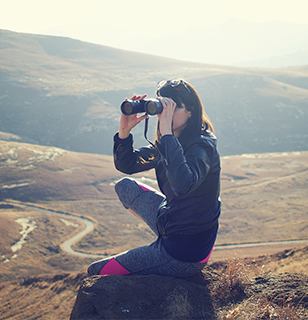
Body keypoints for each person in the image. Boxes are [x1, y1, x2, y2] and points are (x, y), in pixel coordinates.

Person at [87, 79, 221, 278]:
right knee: (124, 187)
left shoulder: (202, 146)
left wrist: (166, 133)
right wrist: (124, 132)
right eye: (162, 107)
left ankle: (161, 253)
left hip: (184, 252)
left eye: (174, 108)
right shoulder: (174, 139)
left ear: (191, 111)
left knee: (96, 272)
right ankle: (162, 240)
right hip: (172, 219)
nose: (165, 114)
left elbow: (184, 185)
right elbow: (128, 165)